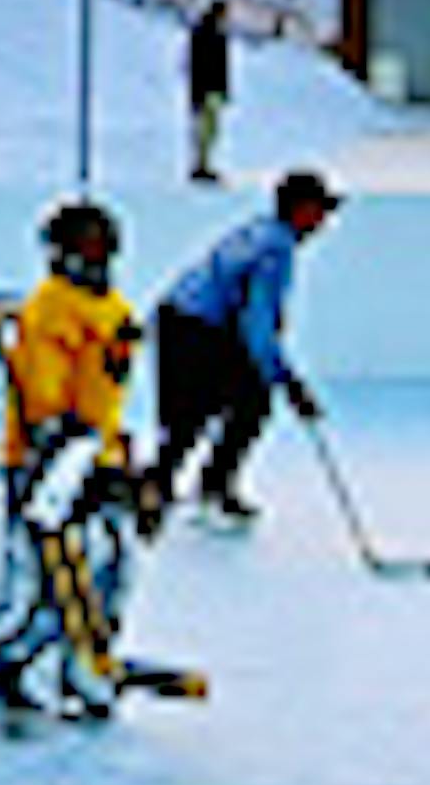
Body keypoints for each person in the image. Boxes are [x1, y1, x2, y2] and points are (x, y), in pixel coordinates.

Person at [0, 197, 146, 722]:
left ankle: (87, 656)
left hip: (99, 458)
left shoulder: (113, 308)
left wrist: (120, 460)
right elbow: (44, 398)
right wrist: (59, 453)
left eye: (101, 246)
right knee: (44, 574)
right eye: (81, 247)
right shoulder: (50, 309)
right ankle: (14, 660)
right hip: (49, 464)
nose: (93, 257)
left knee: (110, 562)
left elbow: (108, 391)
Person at [145, 168, 340, 524]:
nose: (324, 221)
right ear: (300, 209)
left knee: (222, 404)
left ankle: (185, 484)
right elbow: (258, 325)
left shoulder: (266, 233)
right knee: (230, 403)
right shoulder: (275, 249)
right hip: (194, 327)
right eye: (320, 210)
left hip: (186, 320)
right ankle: (181, 486)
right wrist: (287, 380)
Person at [186, 0, 232, 182]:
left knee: (210, 130)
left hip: (210, 89)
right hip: (206, 89)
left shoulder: (214, 34)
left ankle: (204, 164)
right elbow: (201, 65)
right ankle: (201, 165)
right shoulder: (207, 35)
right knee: (205, 130)